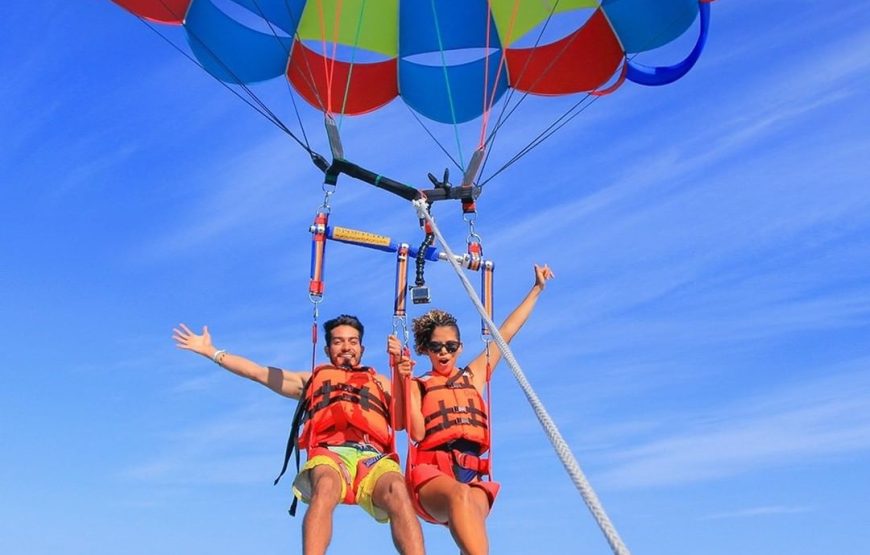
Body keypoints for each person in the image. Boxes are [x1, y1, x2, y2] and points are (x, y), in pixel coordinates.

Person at [173, 315, 425, 555]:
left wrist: (403, 376)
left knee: (397, 489)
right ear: (327, 350)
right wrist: (212, 351)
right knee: (325, 486)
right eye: (338, 342)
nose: (346, 347)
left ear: (361, 348)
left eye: (352, 341)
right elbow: (259, 373)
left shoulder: (380, 382)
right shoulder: (310, 380)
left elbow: (407, 425)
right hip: (330, 453)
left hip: (371, 456)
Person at [388, 264, 554, 555]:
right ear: (425, 349)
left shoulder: (473, 376)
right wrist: (402, 378)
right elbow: (415, 431)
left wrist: (537, 289)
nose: (443, 352)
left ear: (460, 348)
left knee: (472, 524)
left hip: (472, 475)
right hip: (430, 477)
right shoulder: (418, 384)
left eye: (450, 346)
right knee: (460, 497)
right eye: (436, 346)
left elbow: (507, 332)